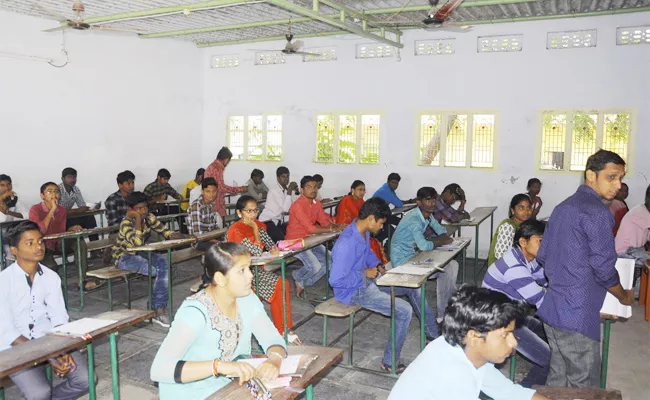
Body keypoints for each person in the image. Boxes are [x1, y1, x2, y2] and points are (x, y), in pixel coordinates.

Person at [538, 149, 634, 388]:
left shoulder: (563, 207)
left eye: (621, 178)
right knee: (584, 385)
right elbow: (604, 268)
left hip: (552, 308)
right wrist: (623, 296)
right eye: (611, 177)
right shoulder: (598, 212)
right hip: (576, 315)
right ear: (591, 175)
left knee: (558, 379)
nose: (617, 185)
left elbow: (543, 256)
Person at [150, 242, 287, 400]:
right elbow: (159, 369)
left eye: (249, 268)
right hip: (189, 393)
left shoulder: (247, 298)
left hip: (225, 386)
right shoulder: (195, 312)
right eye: (242, 271)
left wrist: (274, 360)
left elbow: (271, 337)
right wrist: (217, 366)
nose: (250, 275)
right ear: (220, 279)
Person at [330, 198, 439, 373]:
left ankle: (433, 334)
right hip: (353, 291)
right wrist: (364, 274)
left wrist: (379, 265)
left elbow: (367, 255)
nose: (382, 227)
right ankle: (390, 361)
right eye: (381, 223)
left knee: (414, 287)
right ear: (371, 219)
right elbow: (336, 280)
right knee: (403, 310)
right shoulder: (346, 243)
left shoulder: (363, 232)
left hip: (368, 282)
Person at [389, 286, 549, 400]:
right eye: (505, 335)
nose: (513, 342)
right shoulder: (453, 376)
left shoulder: (463, 349)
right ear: (474, 336)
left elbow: (510, 393)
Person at [0, 221, 92, 400]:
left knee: (85, 380)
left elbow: (59, 318)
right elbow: (6, 332)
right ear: (14, 250)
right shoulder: (3, 282)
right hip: (13, 347)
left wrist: (62, 350)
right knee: (39, 393)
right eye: (30, 243)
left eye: (40, 241)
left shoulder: (51, 277)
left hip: (49, 341)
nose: (38, 247)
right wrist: (48, 355)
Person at [482, 220, 550, 387]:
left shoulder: (526, 257)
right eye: (541, 241)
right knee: (551, 359)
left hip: (512, 314)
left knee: (547, 333)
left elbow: (547, 280)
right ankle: (524, 391)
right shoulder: (514, 267)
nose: (546, 245)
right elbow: (541, 300)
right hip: (499, 324)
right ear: (523, 241)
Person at [227, 195, 300, 344]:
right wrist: (255, 231)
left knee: (282, 284)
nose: (253, 214)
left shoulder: (259, 225)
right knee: (280, 284)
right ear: (239, 213)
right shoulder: (236, 230)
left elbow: (270, 245)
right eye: (249, 211)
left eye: (255, 210)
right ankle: (282, 329)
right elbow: (256, 250)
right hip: (238, 274)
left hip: (255, 271)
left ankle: (284, 329)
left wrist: (273, 249)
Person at [111, 191, 183, 328]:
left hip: (142, 252)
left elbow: (165, 231)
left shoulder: (149, 217)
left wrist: (176, 235)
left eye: (145, 207)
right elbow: (136, 243)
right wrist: (138, 219)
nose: (143, 211)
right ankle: (156, 307)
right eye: (139, 209)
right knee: (155, 271)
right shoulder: (126, 223)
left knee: (164, 264)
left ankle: (158, 308)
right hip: (124, 257)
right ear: (130, 210)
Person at [390, 187, 457, 318]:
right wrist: (440, 240)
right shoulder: (414, 220)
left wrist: (442, 237)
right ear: (419, 203)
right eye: (428, 200)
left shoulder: (427, 215)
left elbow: (440, 229)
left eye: (434, 200)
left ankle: (446, 308)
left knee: (452, 265)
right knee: (445, 269)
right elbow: (424, 246)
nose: (432, 203)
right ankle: (440, 316)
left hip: (413, 255)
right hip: (402, 261)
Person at [29, 182, 98, 291]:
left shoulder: (61, 210)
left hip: (58, 243)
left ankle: (82, 281)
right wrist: (51, 210)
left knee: (79, 242)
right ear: (42, 195)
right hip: (43, 246)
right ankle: (51, 288)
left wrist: (70, 229)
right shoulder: (35, 209)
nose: (54, 194)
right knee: (51, 267)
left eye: (56, 191)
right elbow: (40, 231)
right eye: (49, 191)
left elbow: (60, 230)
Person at [285, 175, 344, 299]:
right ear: (302, 190)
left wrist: (337, 226)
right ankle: (297, 276)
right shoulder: (297, 206)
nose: (313, 190)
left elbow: (323, 221)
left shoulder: (316, 203)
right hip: (295, 242)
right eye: (309, 187)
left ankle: (302, 282)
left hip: (310, 239)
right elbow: (311, 229)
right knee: (315, 266)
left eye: (315, 187)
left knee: (331, 260)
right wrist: (332, 229)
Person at [335, 180, 389, 263]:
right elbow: (360, 216)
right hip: (346, 231)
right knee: (372, 244)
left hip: (358, 230)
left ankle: (376, 267)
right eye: (360, 189)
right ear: (352, 190)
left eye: (364, 190)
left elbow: (367, 215)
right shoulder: (347, 200)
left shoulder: (360, 200)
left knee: (374, 243)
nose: (362, 192)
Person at [615, 184, 650, 292]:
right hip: (624, 252)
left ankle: (642, 292)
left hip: (634, 250)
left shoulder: (644, 211)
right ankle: (640, 293)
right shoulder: (642, 213)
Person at [487, 194, 532, 266]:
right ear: (513, 211)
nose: (526, 211)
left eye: (529, 208)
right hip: (500, 269)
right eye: (521, 208)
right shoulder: (508, 226)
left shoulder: (523, 225)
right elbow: (500, 255)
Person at [258, 166, 300, 242]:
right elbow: (285, 209)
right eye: (283, 176)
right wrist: (289, 191)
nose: (286, 179)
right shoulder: (274, 190)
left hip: (277, 222)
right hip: (267, 221)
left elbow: (295, 205)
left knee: (294, 233)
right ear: (278, 178)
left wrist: (296, 192)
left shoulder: (287, 190)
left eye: (287, 176)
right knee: (281, 241)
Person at [204, 147, 248, 217]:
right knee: (219, 226)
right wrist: (241, 189)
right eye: (228, 161)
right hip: (215, 204)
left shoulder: (212, 166)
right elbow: (221, 188)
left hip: (212, 203)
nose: (228, 163)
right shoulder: (217, 168)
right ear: (226, 159)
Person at [58, 167, 99, 241]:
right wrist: (77, 210)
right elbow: (59, 211)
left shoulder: (76, 189)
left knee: (89, 216)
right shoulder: (57, 190)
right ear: (63, 179)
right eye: (69, 177)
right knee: (75, 226)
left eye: (74, 177)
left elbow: (82, 206)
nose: (72, 180)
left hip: (69, 217)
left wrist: (87, 208)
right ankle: (80, 243)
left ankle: (95, 248)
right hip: (59, 220)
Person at [372, 173, 413, 244]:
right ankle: (383, 245)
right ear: (388, 182)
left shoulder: (388, 189)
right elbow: (399, 204)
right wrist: (411, 201)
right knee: (400, 225)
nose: (394, 185)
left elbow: (398, 201)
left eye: (396, 183)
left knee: (401, 223)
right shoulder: (386, 191)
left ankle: (383, 243)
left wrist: (410, 201)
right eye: (393, 182)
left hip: (382, 215)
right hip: (376, 217)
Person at [0, 174, 28, 260]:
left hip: (7, 234)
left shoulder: (13, 199)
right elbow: (2, 219)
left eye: (8, 184)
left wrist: (9, 212)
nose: (6, 187)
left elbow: (26, 215)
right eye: (2, 185)